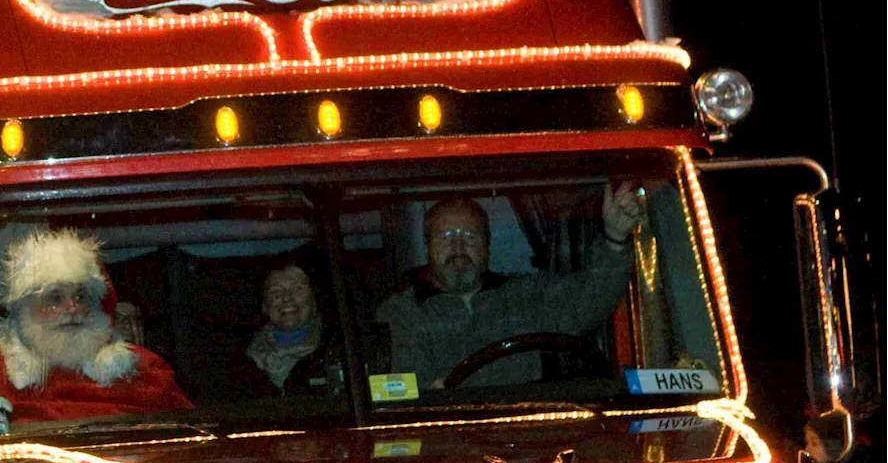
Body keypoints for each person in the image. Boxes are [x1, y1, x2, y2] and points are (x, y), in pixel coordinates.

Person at [376, 183, 643, 389]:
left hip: (530, 435)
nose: (458, 248)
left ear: (487, 244)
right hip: (451, 445)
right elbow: (400, 388)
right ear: (427, 246)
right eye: (445, 237)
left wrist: (615, 237)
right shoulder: (401, 313)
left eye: (470, 236)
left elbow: (592, 298)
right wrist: (427, 398)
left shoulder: (525, 295)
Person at [0, 228, 192, 427]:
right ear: (23, 308)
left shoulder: (144, 368)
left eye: (81, 296)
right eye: (55, 298)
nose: (72, 308)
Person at [233, 264, 339, 398]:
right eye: (275, 291)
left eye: (297, 289)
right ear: (265, 305)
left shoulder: (340, 347)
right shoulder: (241, 359)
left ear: (314, 298)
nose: (286, 297)